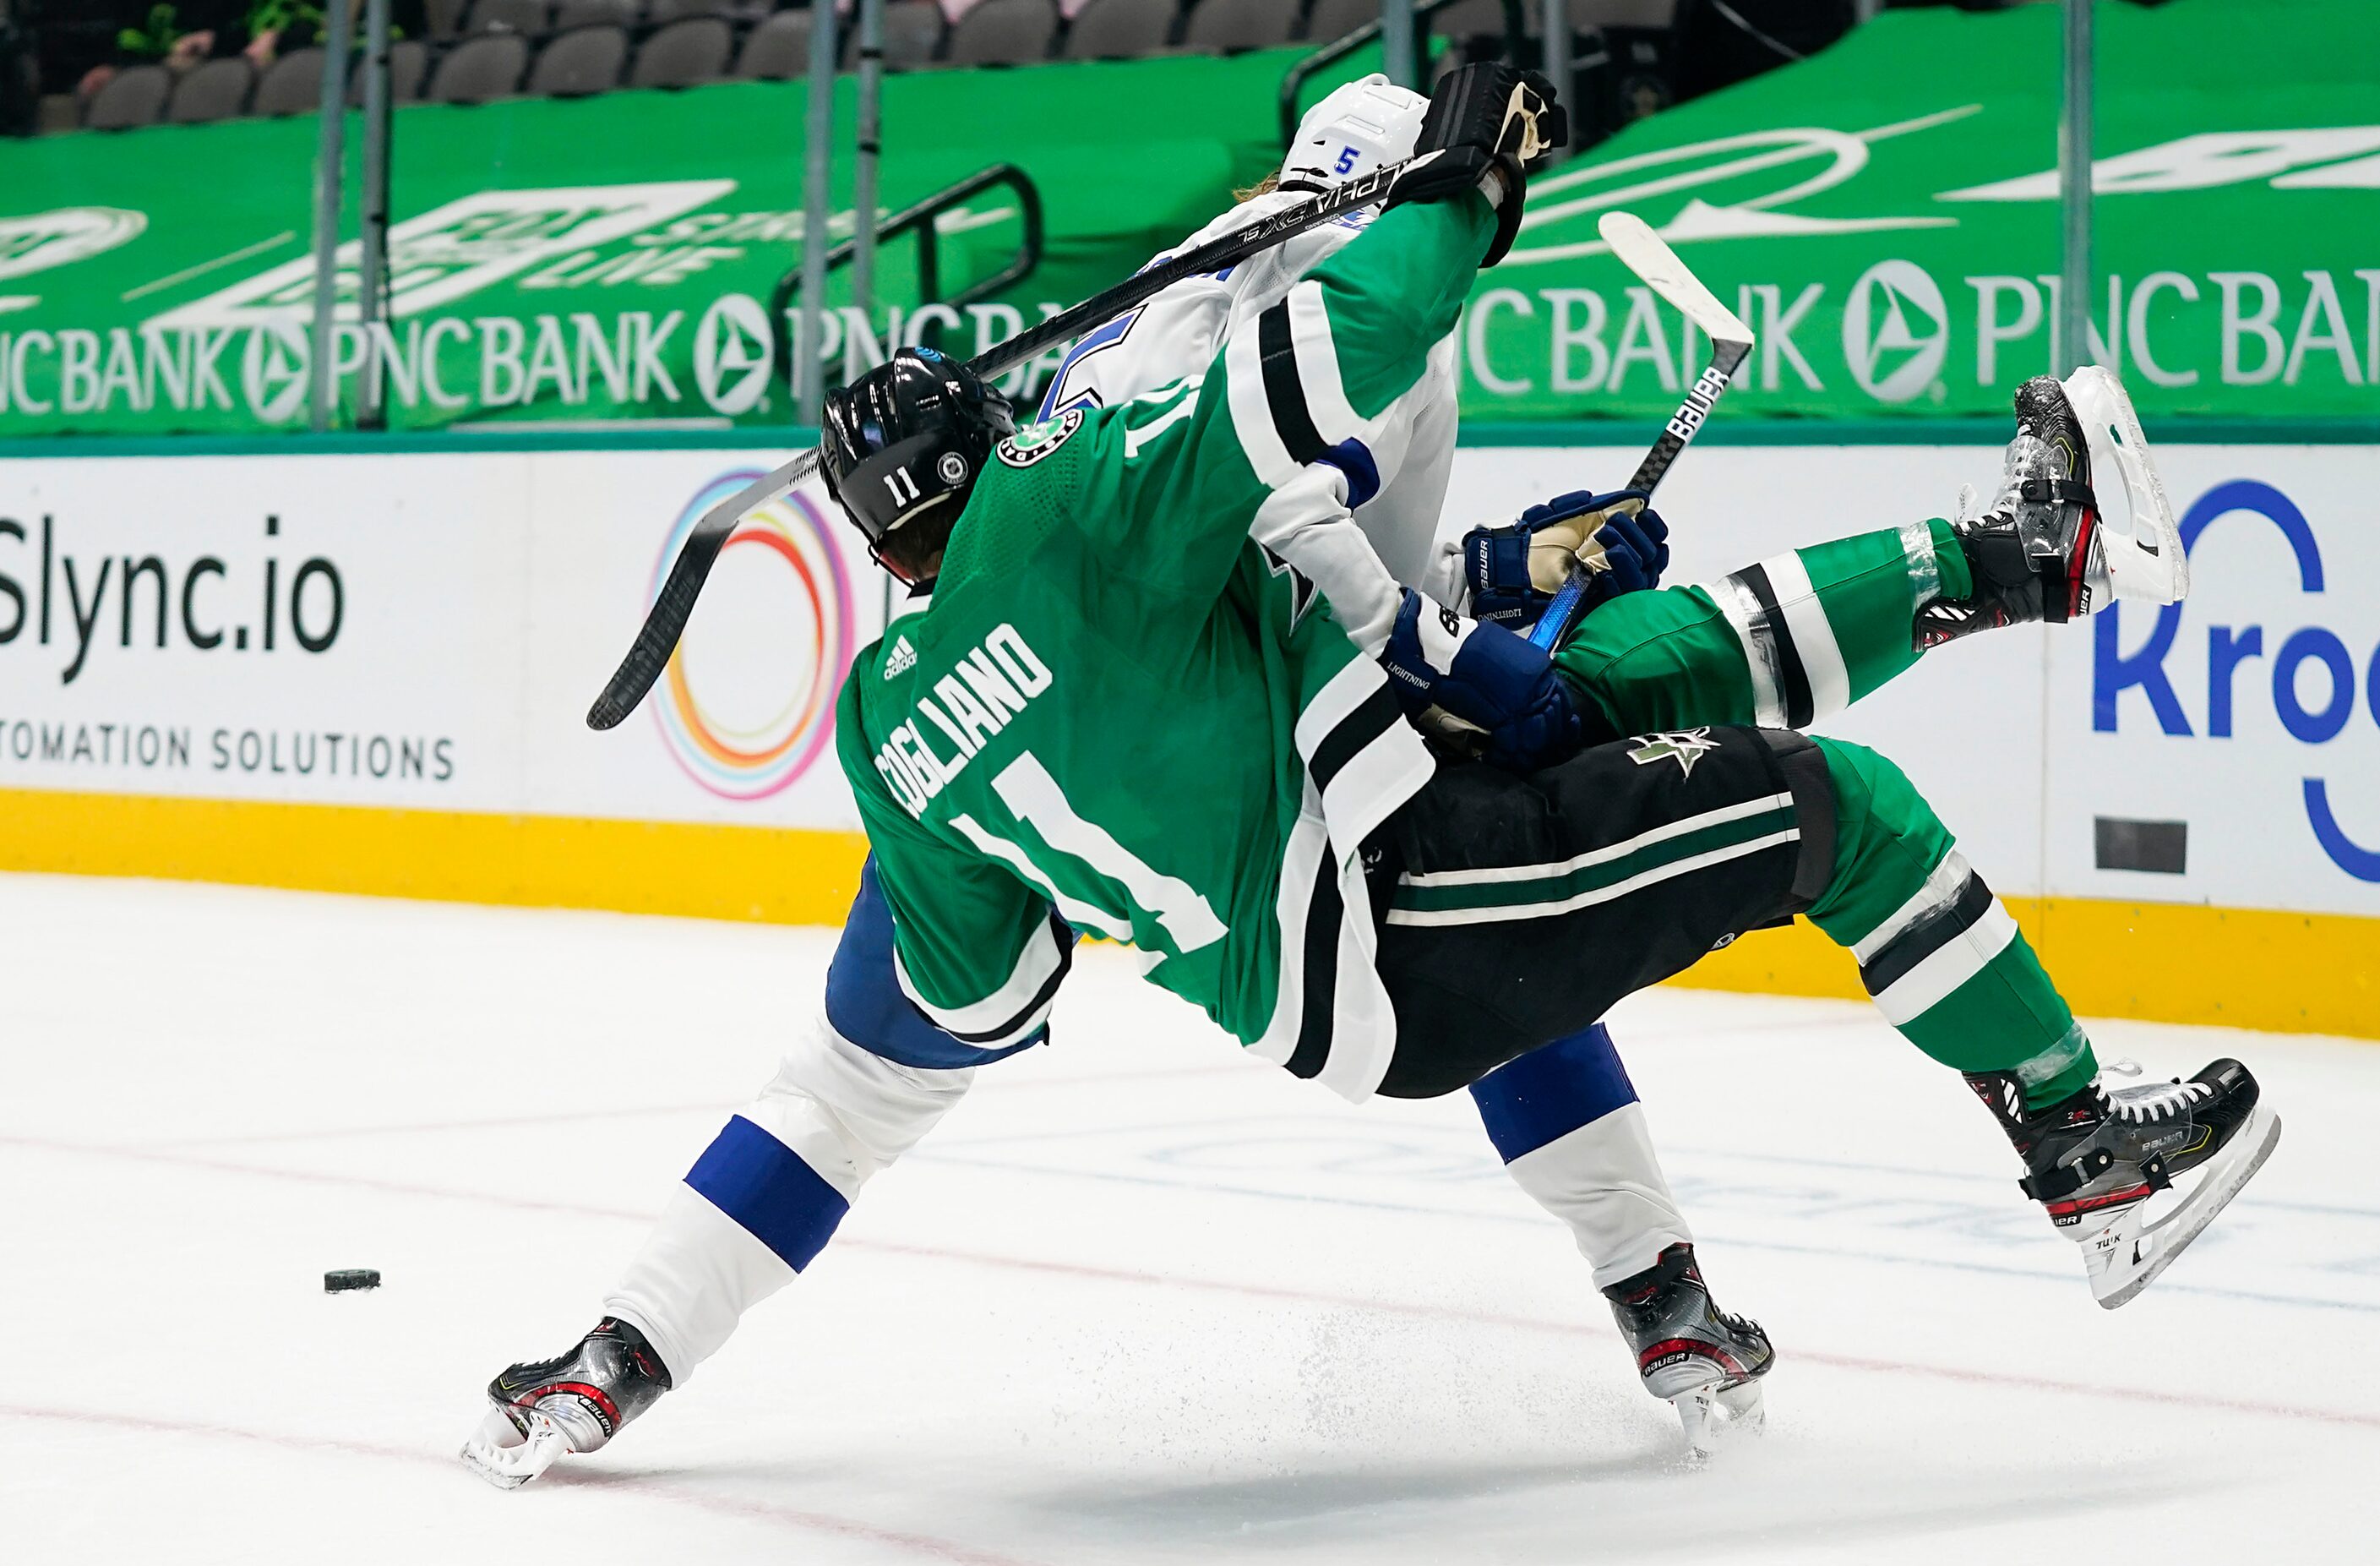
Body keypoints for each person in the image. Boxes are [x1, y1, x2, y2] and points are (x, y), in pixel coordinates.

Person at [464, 66, 2279, 1489]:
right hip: (1401, 911)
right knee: (1829, 807)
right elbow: (1313, 360)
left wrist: (622, 1346)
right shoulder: (1070, 502)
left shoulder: (899, 721)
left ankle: (2028, 557)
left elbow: (880, 1063)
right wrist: (1464, 191)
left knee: (1660, 655)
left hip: (1369, 869)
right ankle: (2078, 1163)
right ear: (990, 447)